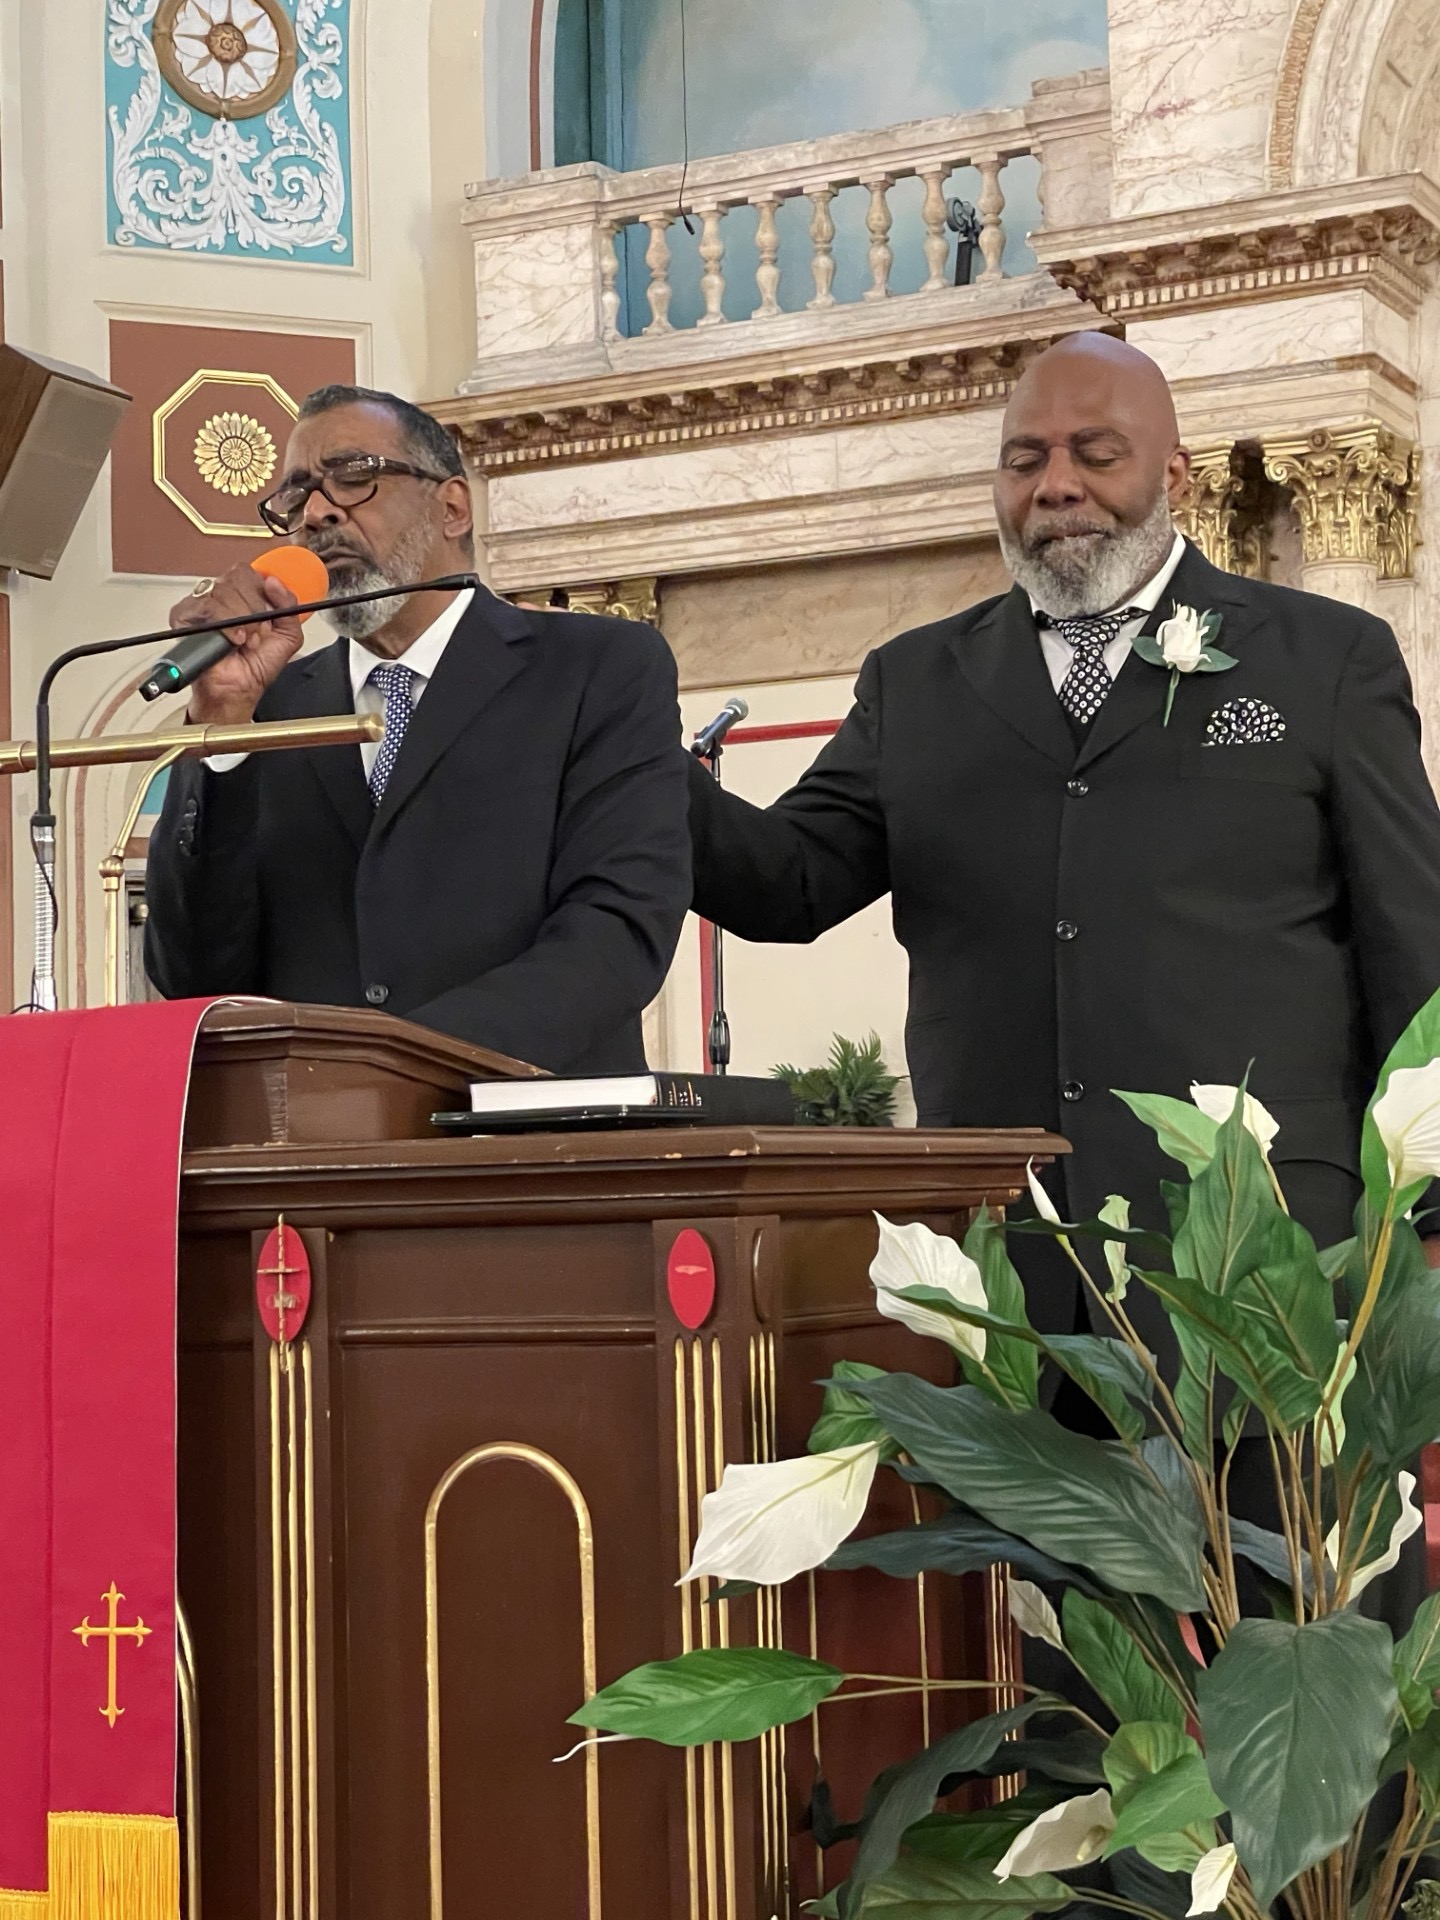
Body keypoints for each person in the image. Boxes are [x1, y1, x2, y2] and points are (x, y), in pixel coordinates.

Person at [688, 331, 1440, 1344]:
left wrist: (1431, 1220)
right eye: (1024, 459)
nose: (1055, 485)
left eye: (1096, 452)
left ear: (1174, 475)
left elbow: (1414, 945)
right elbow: (786, 883)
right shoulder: (915, 683)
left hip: (1259, 1258)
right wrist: (629, 761)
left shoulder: (1325, 658)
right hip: (1002, 1260)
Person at [145, 383, 690, 1073]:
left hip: (527, 1123)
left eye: (353, 475)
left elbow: (617, 933)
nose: (316, 512)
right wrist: (221, 733)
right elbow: (192, 975)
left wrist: (394, 1064)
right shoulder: (268, 709)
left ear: (452, 506)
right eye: (297, 493)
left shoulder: (595, 668)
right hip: (315, 1131)